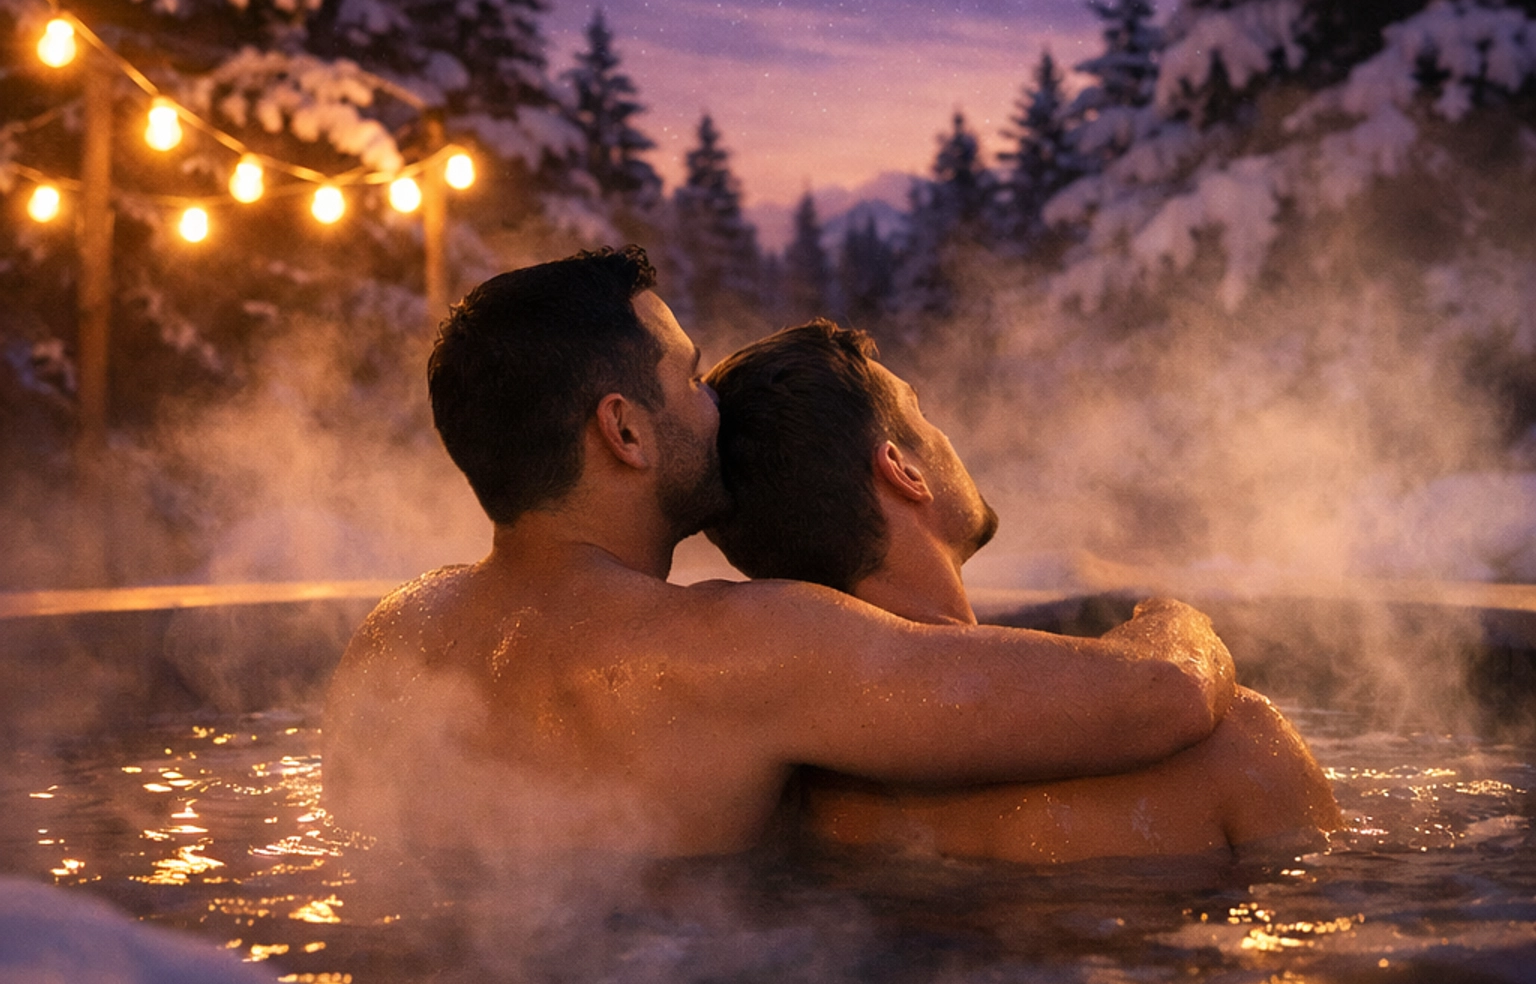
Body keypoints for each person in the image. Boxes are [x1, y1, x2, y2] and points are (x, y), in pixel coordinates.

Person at [324, 248, 1237, 860]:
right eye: (687, 378)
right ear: (626, 432)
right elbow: (1166, 699)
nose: (711, 405)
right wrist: (1173, 618)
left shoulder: (391, 638)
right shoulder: (735, 647)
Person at [705, 319, 1339, 862]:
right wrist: (1177, 618)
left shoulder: (766, 788)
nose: (946, 438)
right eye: (922, 415)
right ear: (903, 469)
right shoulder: (1227, 752)